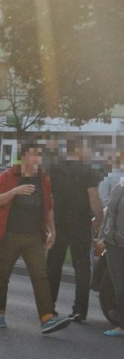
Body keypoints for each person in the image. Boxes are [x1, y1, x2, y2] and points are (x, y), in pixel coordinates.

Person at [0, 144, 70, 334]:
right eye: (33, 155)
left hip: (34, 237)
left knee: (40, 276)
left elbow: (48, 206)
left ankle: (47, 317)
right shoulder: (8, 176)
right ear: (23, 157)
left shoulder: (43, 179)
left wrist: (52, 231)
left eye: (39, 156)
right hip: (10, 235)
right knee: (3, 275)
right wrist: (15, 191)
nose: (37, 159)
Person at [46, 138, 104, 322]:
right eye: (86, 147)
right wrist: (100, 222)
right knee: (81, 267)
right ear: (78, 150)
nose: (88, 151)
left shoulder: (55, 168)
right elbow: (93, 198)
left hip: (59, 221)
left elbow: (49, 196)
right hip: (79, 222)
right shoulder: (88, 170)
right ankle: (79, 310)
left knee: (54, 264)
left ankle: (48, 307)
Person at [97, 180, 124, 337]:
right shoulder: (119, 186)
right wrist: (102, 237)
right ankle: (122, 325)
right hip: (113, 244)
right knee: (119, 286)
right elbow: (108, 214)